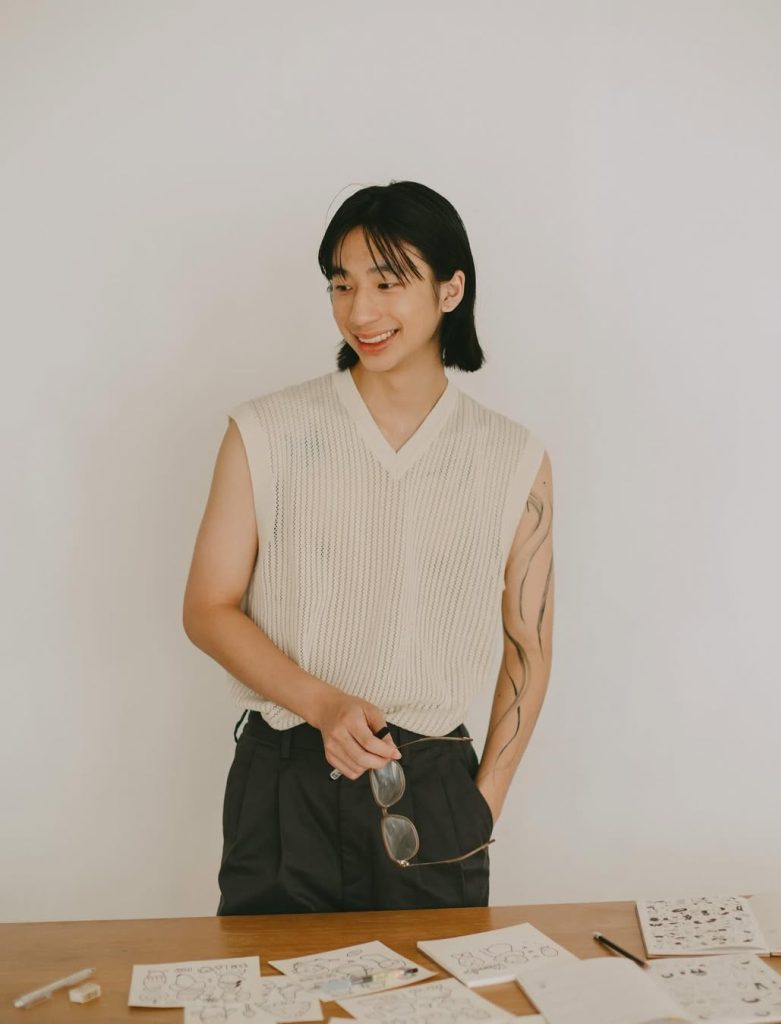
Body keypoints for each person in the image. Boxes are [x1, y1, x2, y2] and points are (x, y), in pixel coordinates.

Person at [182, 180, 554, 915]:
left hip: (434, 786)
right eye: (342, 284)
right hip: (284, 784)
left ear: (450, 290)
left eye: (388, 283)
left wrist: (483, 804)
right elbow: (208, 607)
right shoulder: (265, 431)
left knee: (439, 984)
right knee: (270, 982)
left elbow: (528, 644)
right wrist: (322, 705)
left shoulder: (514, 458)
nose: (360, 311)